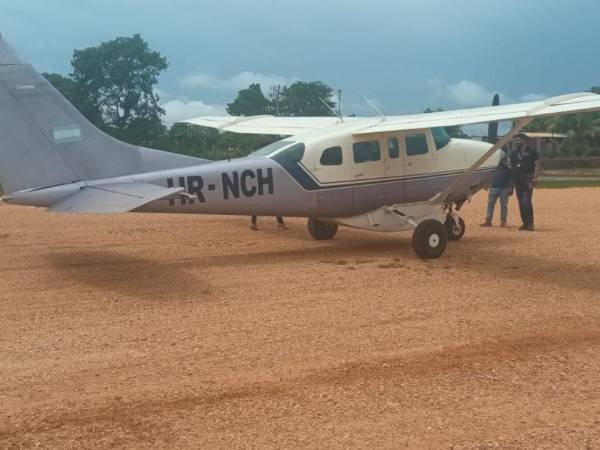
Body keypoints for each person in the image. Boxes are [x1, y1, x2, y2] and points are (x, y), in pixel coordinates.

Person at [510, 134, 540, 231]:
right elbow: (512, 166)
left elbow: (537, 165)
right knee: (520, 203)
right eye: (514, 140)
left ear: (523, 140)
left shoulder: (532, 151)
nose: (515, 142)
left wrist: (535, 178)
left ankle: (531, 223)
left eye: (517, 140)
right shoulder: (514, 153)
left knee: (526, 202)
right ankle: (525, 223)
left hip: (528, 178)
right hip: (517, 179)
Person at [480, 149, 513, 227]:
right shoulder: (493, 166)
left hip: (504, 188)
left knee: (504, 206)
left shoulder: (507, 167)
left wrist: (511, 187)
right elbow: (488, 175)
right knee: (490, 204)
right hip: (493, 187)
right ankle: (488, 221)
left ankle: (503, 221)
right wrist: (486, 183)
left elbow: (511, 177)